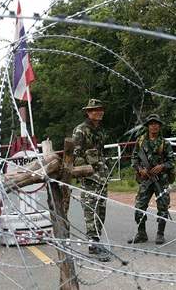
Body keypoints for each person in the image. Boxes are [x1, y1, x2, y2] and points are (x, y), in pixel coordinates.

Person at [72, 99, 115, 262]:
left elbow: (101, 152)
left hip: (102, 177)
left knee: (101, 210)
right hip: (89, 177)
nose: (99, 112)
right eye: (95, 110)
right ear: (88, 112)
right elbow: (75, 156)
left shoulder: (101, 131)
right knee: (91, 210)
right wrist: (90, 165)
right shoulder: (80, 131)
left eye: (100, 109)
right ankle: (93, 243)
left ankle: (95, 241)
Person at [128, 114, 175, 245]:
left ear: (159, 126)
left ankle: (160, 234)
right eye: (151, 124)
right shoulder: (140, 141)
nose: (154, 126)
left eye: (156, 124)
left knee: (163, 206)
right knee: (139, 206)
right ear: (147, 126)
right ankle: (141, 234)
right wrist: (139, 169)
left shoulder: (165, 143)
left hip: (161, 180)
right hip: (146, 179)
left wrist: (162, 166)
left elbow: (172, 162)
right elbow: (134, 159)